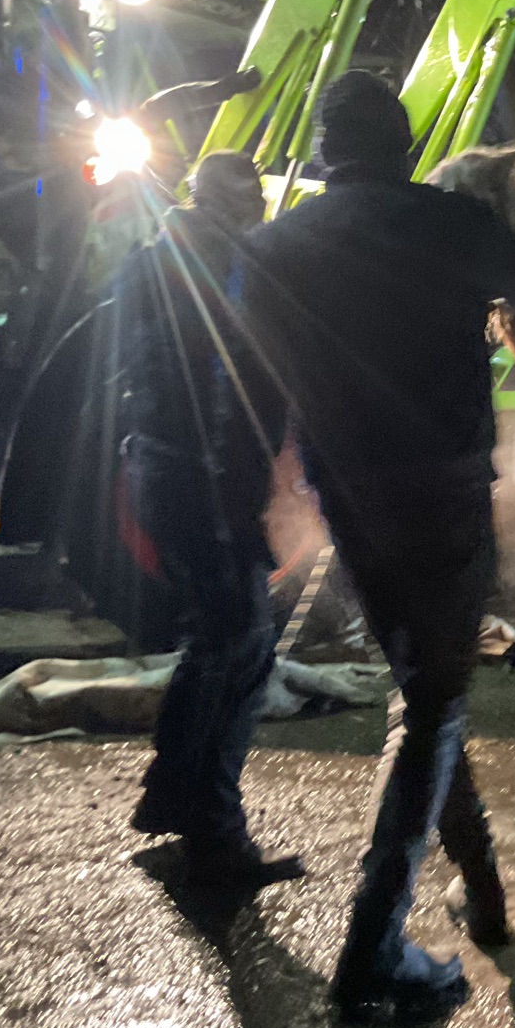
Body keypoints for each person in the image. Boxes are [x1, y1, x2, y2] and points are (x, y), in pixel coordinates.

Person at [240, 70, 515, 1023]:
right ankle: (373, 945)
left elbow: (251, 369)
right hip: (443, 492)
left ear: (322, 150)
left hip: (348, 496)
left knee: (428, 688)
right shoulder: (445, 222)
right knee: (432, 701)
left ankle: (483, 891)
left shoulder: (273, 244)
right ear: (405, 145)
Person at [116, 150, 304, 886]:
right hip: (206, 479)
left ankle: (172, 799)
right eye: (249, 198)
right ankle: (215, 837)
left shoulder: (151, 259)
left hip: (166, 469)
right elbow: (231, 382)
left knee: (221, 641)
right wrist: (242, 487)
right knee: (240, 642)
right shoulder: (229, 268)